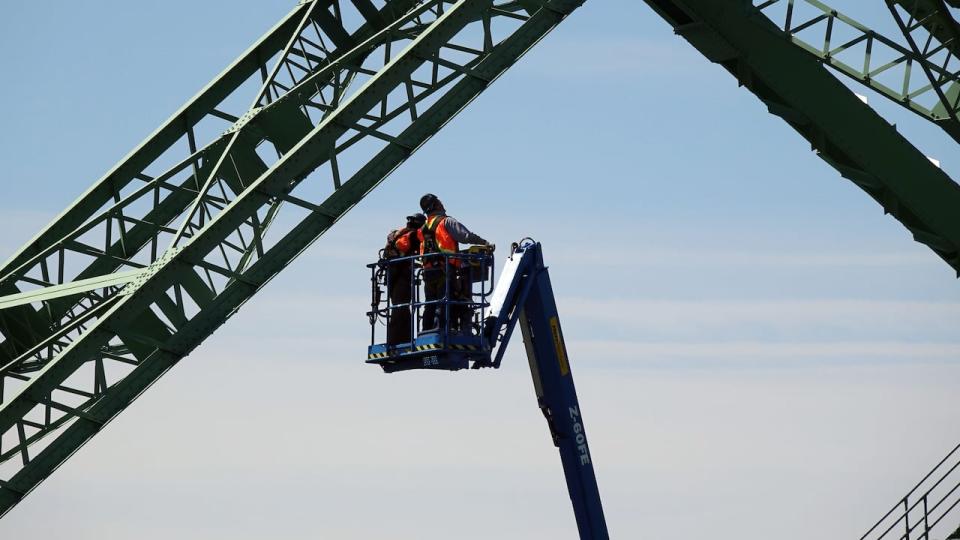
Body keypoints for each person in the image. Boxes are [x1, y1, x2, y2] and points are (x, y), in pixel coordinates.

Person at [416, 193, 491, 334]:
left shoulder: (424, 228)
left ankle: (425, 333)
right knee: (444, 301)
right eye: (439, 201)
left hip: (427, 271)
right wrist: (484, 243)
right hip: (445, 269)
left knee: (430, 304)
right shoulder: (446, 222)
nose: (442, 203)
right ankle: (442, 331)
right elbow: (465, 236)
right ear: (435, 205)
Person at [383, 213, 425, 345]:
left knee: (399, 307)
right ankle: (399, 340)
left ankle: (397, 339)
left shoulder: (396, 234)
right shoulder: (412, 236)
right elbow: (417, 253)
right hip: (401, 275)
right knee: (402, 307)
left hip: (392, 274)